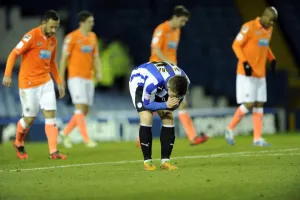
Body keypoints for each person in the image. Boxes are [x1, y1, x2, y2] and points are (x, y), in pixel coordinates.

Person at [2, 10, 66, 159]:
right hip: (29, 83)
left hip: (46, 82)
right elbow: (13, 54)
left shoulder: (53, 41)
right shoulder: (31, 36)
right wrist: (7, 74)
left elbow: (51, 63)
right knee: (29, 118)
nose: (53, 30)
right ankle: (18, 142)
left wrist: (59, 82)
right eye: (51, 27)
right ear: (43, 23)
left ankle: (53, 152)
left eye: (56, 27)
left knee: (50, 115)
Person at [148, 5, 209, 146]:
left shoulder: (177, 31)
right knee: (179, 102)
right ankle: (192, 136)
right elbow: (155, 49)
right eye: (182, 21)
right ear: (174, 17)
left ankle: (142, 136)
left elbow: (172, 52)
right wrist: (168, 61)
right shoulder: (161, 29)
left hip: (170, 70)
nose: (183, 24)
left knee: (168, 104)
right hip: (158, 69)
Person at [225, 7, 278, 146]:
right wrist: (245, 62)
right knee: (248, 104)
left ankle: (257, 138)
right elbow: (236, 45)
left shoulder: (269, 29)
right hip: (246, 73)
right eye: (271, 21)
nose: (272, 24)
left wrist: (272, 58)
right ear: (265, 17)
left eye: (274, 22)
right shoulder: (248, 27)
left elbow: (264, 45)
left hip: (261, 73)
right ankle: (229, 129)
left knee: (259, 103)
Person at [129, 61, 190, 171]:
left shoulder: (186, 81)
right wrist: (165, 104)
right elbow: (146, 104)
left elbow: (176, 104)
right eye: (173, 95)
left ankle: (165, 162)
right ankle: (147, 162)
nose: (174, 98)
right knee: (147, 116)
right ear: (169, 88)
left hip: (160, 83)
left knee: (168, 117)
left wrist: (169, 106)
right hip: (140, 82)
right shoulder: (153, 81)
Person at [59, 11, 102, 148]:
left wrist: (98, 72)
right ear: (82, 23)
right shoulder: (71, 38)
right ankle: (86, 139)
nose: (92, 24)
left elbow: (95, 57)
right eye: (90, 22)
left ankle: (65, 132)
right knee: (79, 107)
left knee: (85, 110)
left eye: (93, 22)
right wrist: (61, 79)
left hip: (88, 77)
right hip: (75, 77)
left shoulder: (92, 37)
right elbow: (64, 59)